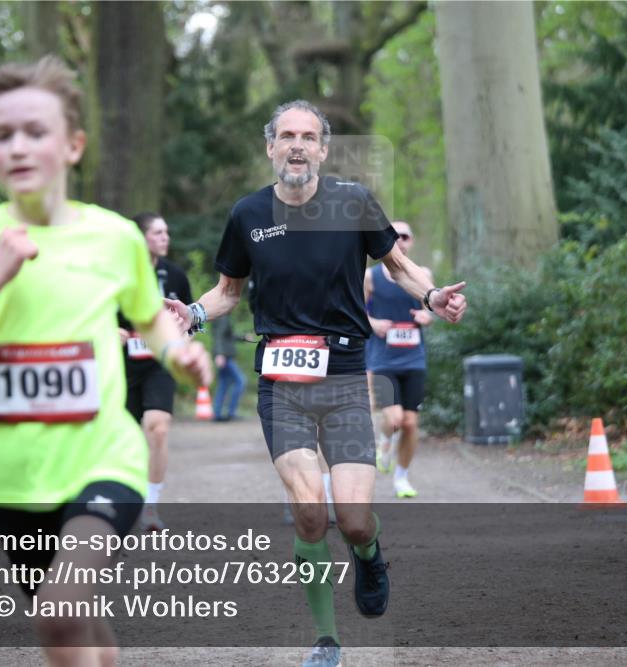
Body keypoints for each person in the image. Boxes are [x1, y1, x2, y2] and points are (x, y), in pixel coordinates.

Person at [0, 57, 210, 667]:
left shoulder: (114, 237)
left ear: (72, 145)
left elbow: (147, 314)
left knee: (61, 610)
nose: (19, 146)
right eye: (2, 135)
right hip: (11, 482)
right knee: (75, 624)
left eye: (36, 131)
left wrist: (180, 355)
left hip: (105, 460)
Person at [166, 100, 466, 667]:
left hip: (348, 378)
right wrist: (194, 315)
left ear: (323, 149)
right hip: (283, 386)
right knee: (309, 512)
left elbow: (397, 266)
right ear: (271, 147)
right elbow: (228, 291)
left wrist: (431, 296)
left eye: (308, 136)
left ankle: (369, 553)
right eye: (287, 136)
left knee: (352, 521)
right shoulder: (248, 214)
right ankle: (326, 639)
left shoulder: (351, 201)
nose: (298, 144)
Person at [118, 212, 193, 531]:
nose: (166, 238)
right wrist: (111, 332)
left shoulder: (174, 276)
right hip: (120, 365)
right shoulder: (116, 274)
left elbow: (191, 321)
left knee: (158, 427)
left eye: (167, 232)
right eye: (158, 233)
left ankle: (150, 506)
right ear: (140, 237)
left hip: (159, 363)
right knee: (126, 437)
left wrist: (182, 341)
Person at [365, 221, 432, 498]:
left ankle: (402, 478)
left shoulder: (422, 273)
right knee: (393, 419)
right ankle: (384, 440)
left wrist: (428, 316)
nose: (399, 241)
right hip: (382, 359)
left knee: (410, 423)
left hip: (414, 358)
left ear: (411, 241)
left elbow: (431, 304)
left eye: (404, 236)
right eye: (393, 236)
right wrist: (373, 323)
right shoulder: (371, 277)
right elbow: (356, 311)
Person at [210, 316, 246, 421]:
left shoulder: (221, 315)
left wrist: (243, 338)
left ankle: (217, 413)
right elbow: (218, 336)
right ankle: (230, 412)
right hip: (224, 356)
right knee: (241, 381)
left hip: (224, 355)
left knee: (223, 384)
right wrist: (220, 353)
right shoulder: (222, 316)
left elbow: (228, 336)